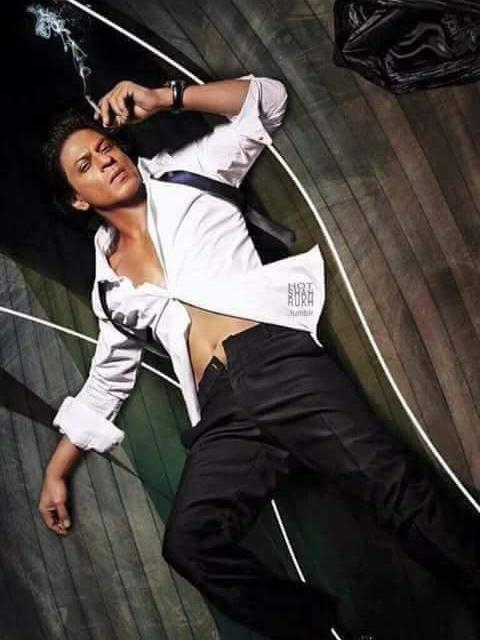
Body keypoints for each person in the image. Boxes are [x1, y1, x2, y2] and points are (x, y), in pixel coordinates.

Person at [37, 74, 479, 640]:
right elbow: (107, 383)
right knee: (190, 544)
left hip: (275, 360)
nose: (106, 161)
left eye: (105, 148)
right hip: (222, 411)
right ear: (78, 198)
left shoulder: (191, 174)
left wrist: (165, 98)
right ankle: (328, 632)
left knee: (391, 488)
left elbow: (267, 101)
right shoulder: (109, 290)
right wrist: (58, 471)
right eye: (86, 166)